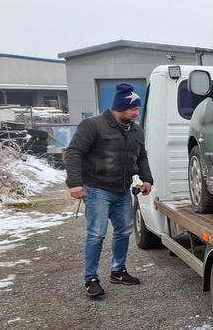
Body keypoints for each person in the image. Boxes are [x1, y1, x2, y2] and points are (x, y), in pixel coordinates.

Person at [65, 83, 153, 298]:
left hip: (122, 189)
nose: (136, 113)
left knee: (123, 232)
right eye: (133, 109)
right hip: (97, 189)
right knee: (96, 234)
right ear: (120, 107)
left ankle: (118, 271)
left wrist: (147, 179)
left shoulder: (136, 129)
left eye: (138, 109)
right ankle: (91, 278)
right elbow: (73, 152)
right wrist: (75, 183)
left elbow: (141, 156)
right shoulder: (92, 126)